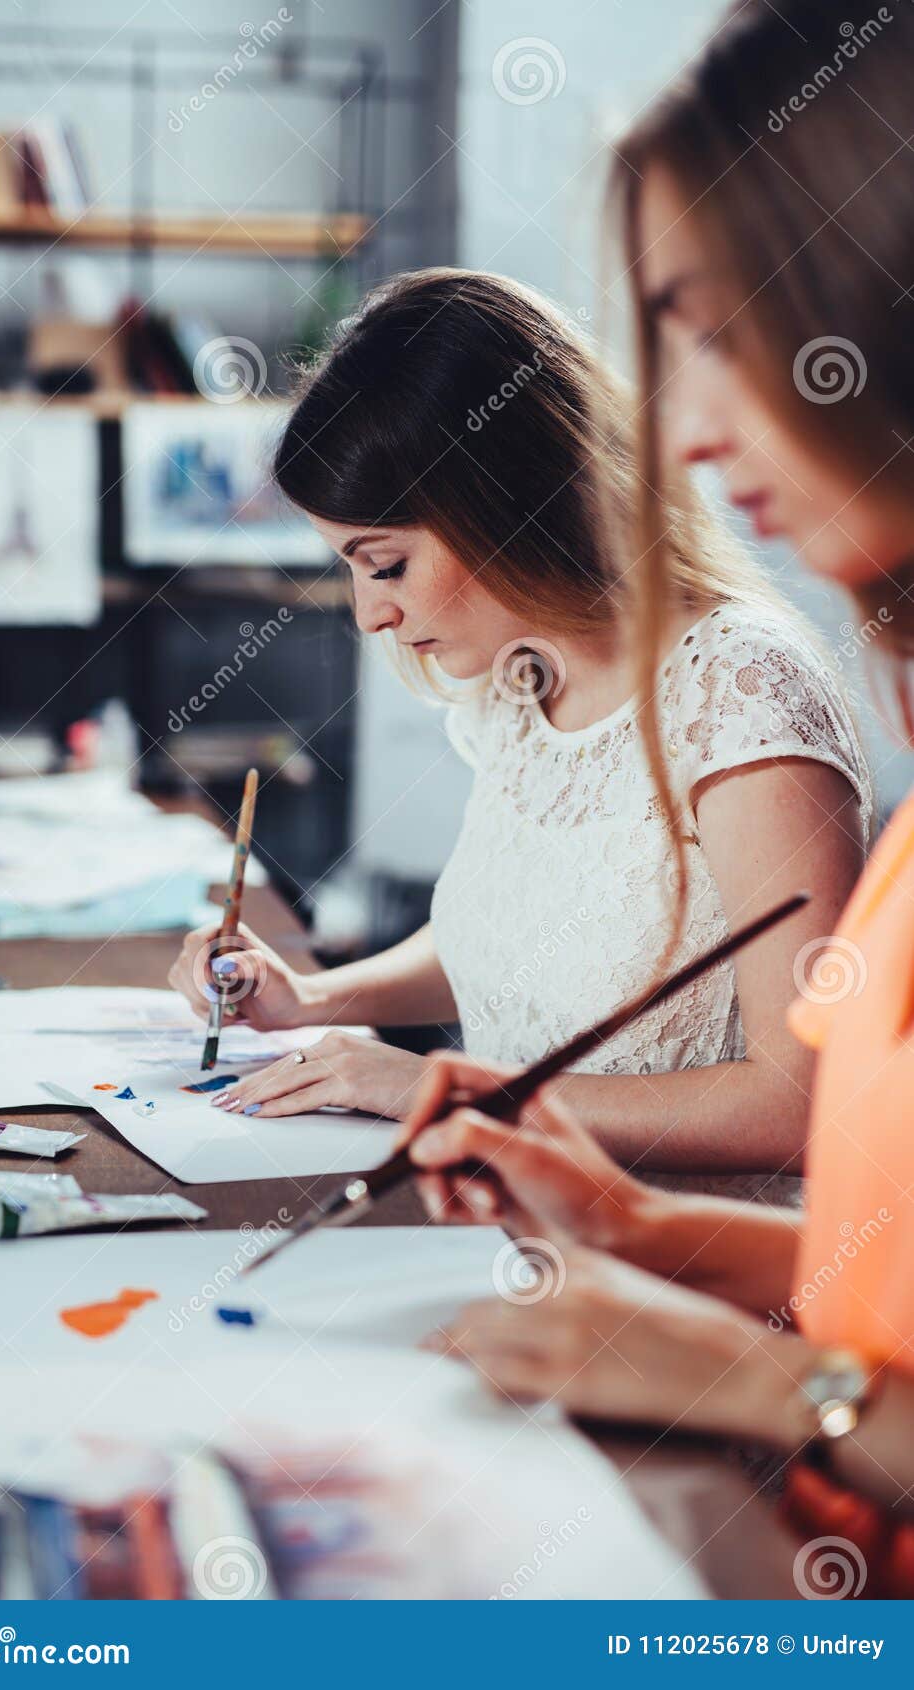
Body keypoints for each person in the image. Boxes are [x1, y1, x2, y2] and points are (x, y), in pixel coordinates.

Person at [403, 0, 914, 1592]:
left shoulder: (748, 692)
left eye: (715, 325)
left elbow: (843, 1366)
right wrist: (622, 1219)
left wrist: (767, 1386)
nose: (683, 429)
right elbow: (873, 1283)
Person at [170, 269, 869, 1196]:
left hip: (690, 1285)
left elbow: (802, 1103)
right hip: (514, 1230)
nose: (369, 613)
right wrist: (316, 997)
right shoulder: (524, 678)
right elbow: (507, 945)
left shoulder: (741, 693)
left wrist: (453, 1090)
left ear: (501, 503)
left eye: (384, 564)